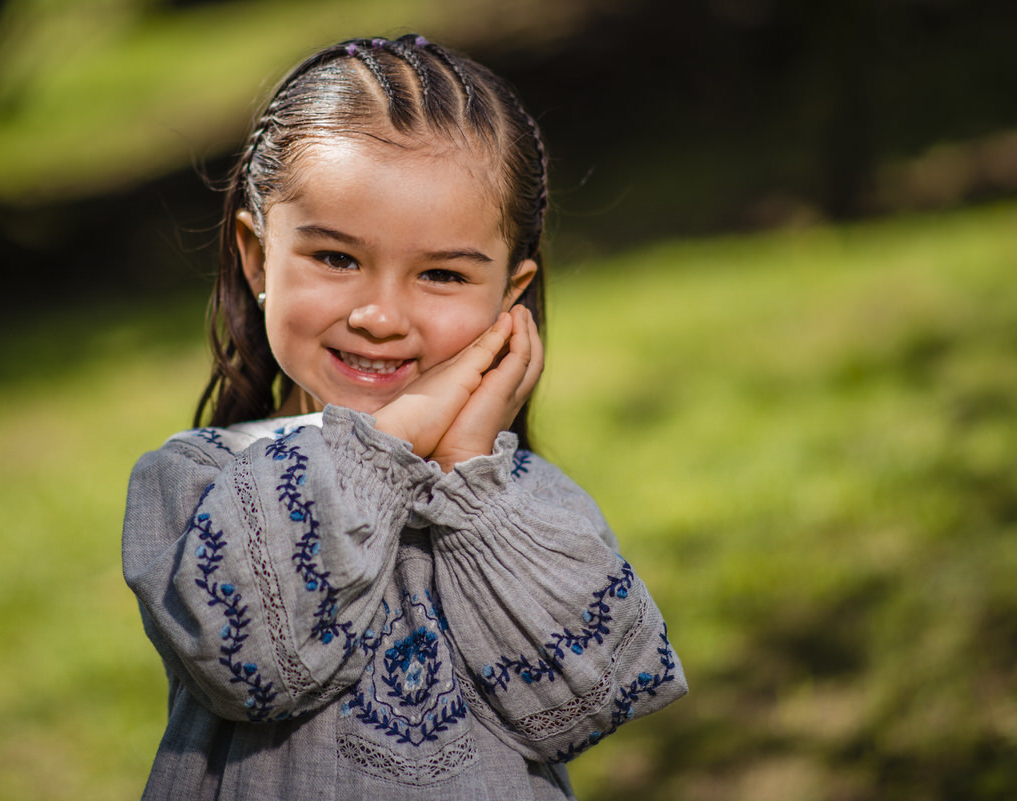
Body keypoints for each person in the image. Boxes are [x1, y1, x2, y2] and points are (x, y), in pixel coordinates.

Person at [122, 34, 686, 800]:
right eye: (337, 259)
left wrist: (467, 471)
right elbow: (250, 661)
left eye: (444, 273)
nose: (382, 316)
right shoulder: (197, 482)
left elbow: (592, 698)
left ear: (508, 296)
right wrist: (392, 439)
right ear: (258, 257)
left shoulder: (514, 498)